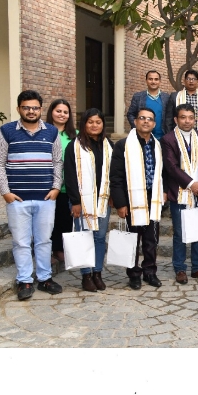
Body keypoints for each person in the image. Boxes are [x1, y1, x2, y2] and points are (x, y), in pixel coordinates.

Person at [0, 90, 63, 300]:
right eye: (26, 107)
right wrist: (5, 192)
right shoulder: (6, 132)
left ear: (41, 109)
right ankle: (24, 281)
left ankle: (45, 278)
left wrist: (56, 187)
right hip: (17, 199)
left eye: (35, 107)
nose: (31, 111)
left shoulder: (51, 132)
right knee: (21, 242)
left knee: (43, 241)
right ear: (18, 109)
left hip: (46, 198)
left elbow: (57, 161)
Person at [110, 107, 166, 290]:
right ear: (135, 121)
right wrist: (120, 203)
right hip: (131, 197)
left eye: (149, 119)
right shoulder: (124, 145)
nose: (145, 121)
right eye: (142, 118)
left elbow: (161, 173)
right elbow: (116, 176)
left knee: (151, 239)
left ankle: (150, 271)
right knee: (133, 238)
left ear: (154, 124)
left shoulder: (157, 145)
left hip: (152, 196)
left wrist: (162, 192)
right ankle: (134, 274)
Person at [160, 104, 198, 285]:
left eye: (190, 117)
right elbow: (171, 167)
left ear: (195, 120)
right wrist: (192, 184)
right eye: (183, 117)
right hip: (181, 192)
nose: (187, 121)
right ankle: (180, 268)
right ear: (176, 119)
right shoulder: (168, 139)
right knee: (180, 233)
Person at [64, 108, 114, 292]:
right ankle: (86, 275)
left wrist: (113, 196)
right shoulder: (74, 146)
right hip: (81, 202)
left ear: (103, 125)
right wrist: (75, 201)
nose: (94, 125)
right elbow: (69, 176)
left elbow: (114, 173)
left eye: (98, 122)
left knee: (100, 237)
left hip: (102, 200)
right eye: (90, 122)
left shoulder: (108, 145)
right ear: (84, 124)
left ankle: (97, 273)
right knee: (85, 237)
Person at [46, 98, 77, 264]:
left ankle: (60, 249)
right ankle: (49, 250)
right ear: (51, 112)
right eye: (58, 111)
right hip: (48, 185)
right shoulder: (44, 132)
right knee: (49, 221)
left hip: (68, 186)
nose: (62, 115)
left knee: (65, 219)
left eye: (65, 112)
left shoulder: (75, 135)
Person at [128, 70, 170, 137]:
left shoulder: (167, 98)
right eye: (150, 79)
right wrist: (137, 127)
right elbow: (131, 114)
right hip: (142, 136)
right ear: (146, 81)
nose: (153, 82)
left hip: (162, 137)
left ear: (160, 82)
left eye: (156, 79)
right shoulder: (138, 97)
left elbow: (170, 117)